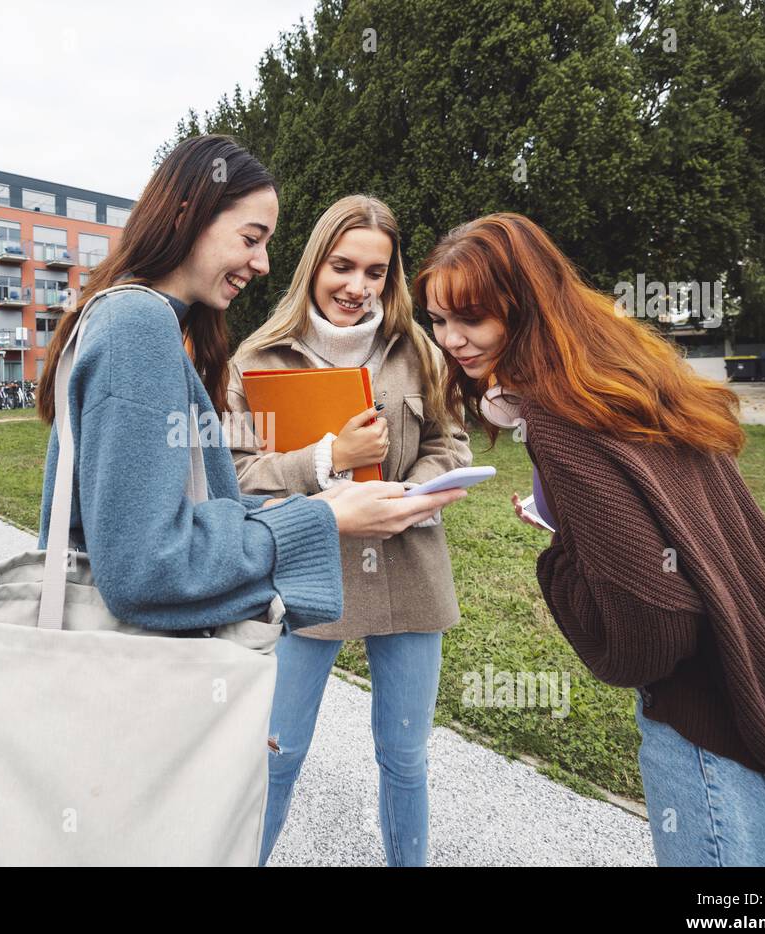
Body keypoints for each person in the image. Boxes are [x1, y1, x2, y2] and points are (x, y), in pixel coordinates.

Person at [414, 211, 765, 866]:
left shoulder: (559, 417)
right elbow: (671, 523)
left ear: (525, 307)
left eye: (471, 317)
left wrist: (559, 560)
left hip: (729, 744)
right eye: (436, 318)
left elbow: (650, 628)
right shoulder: (623, 372)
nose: (451, 339)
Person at [35, 137, 463, 679]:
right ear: (189, 216)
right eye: (251, 238)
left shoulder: (135, 319)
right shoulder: (138, 330)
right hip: (138, 676)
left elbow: (195, 511)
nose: (262, 264)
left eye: (375, 273)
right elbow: (147, 568)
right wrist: (326, 513)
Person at [227, 195, 473, 866]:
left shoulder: (417, 347)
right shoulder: (259, 357)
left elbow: (450, 442)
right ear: (314, 263)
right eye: (343, 266)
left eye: (375, 272)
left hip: (410, 570)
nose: (357, 287)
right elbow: (240, 474)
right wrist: (326, 458)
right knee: (275, 752)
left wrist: (415, 496)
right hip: (307, 576)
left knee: (404, 758)